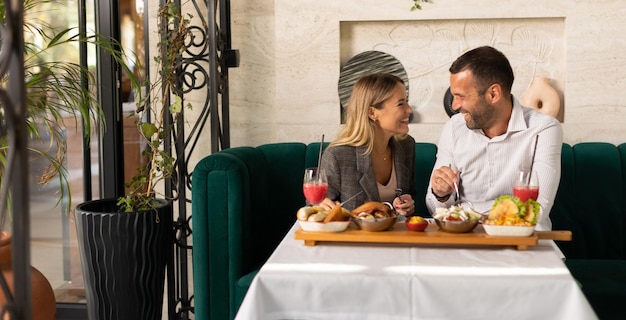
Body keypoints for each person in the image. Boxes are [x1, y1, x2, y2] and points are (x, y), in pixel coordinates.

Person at [426, 46, 563, 231]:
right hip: (465, 236)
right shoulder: (454, 127)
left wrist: (481, 222)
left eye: (461, 96)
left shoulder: (543, 128)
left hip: (522, 240)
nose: (455, 105)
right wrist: (441, 194)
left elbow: (539, 208)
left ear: (493, 94)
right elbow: (436, 208)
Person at [319, 73, 416, 216]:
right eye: (401, 104)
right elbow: (317, 210)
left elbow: (411, 196)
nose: (409, 110)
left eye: (407, 102)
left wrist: (407, 205)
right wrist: (321, 206)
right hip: (353, 237)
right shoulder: (337, 156)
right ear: (372, 113)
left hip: (397, 235)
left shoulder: (406, 145)